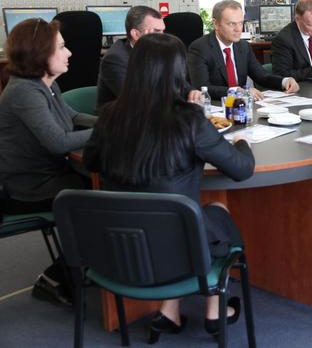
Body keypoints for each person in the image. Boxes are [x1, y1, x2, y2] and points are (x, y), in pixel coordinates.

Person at [84, 33, 255, 343]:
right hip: (177, 247)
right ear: (179, 72)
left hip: (118, 248)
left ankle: (170, 311)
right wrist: (242, 142)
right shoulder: (189, 120)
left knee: (170, 215)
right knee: (215, 209)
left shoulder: (109, 116)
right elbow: (241, 170)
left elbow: (91, 162)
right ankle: (215, 310)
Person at [0, 18, 97, 304]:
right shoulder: (24, 93)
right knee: (102, 198)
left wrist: (113, 120)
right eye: (62, 47)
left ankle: (87, 264)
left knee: (109, 187)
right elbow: (58, 141)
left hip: (51, 175)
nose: (70, 53)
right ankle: (55, 278)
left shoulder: (45, 84)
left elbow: (73, 117)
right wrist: (107, 131)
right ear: (41, 54)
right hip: (26, 188)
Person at [187, 0, 299, 100]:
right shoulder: (200, 48)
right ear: (216, 24)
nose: (238, 29)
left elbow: (261, 76)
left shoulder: (243, 46)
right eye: (232, 24)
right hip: (215, 109)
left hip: (241, 109)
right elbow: (203, 88)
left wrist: (285, 81)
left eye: (241, 23)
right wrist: (239, 92)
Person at [96, 5, 202, 108]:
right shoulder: (116, 59)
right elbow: (136, 100)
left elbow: (180, 83)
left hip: (156, 116)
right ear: (136, 34)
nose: (163, 37)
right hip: (121, 120)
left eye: (163, 31)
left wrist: (191, 92)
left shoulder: (160, 52)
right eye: (156, 31)